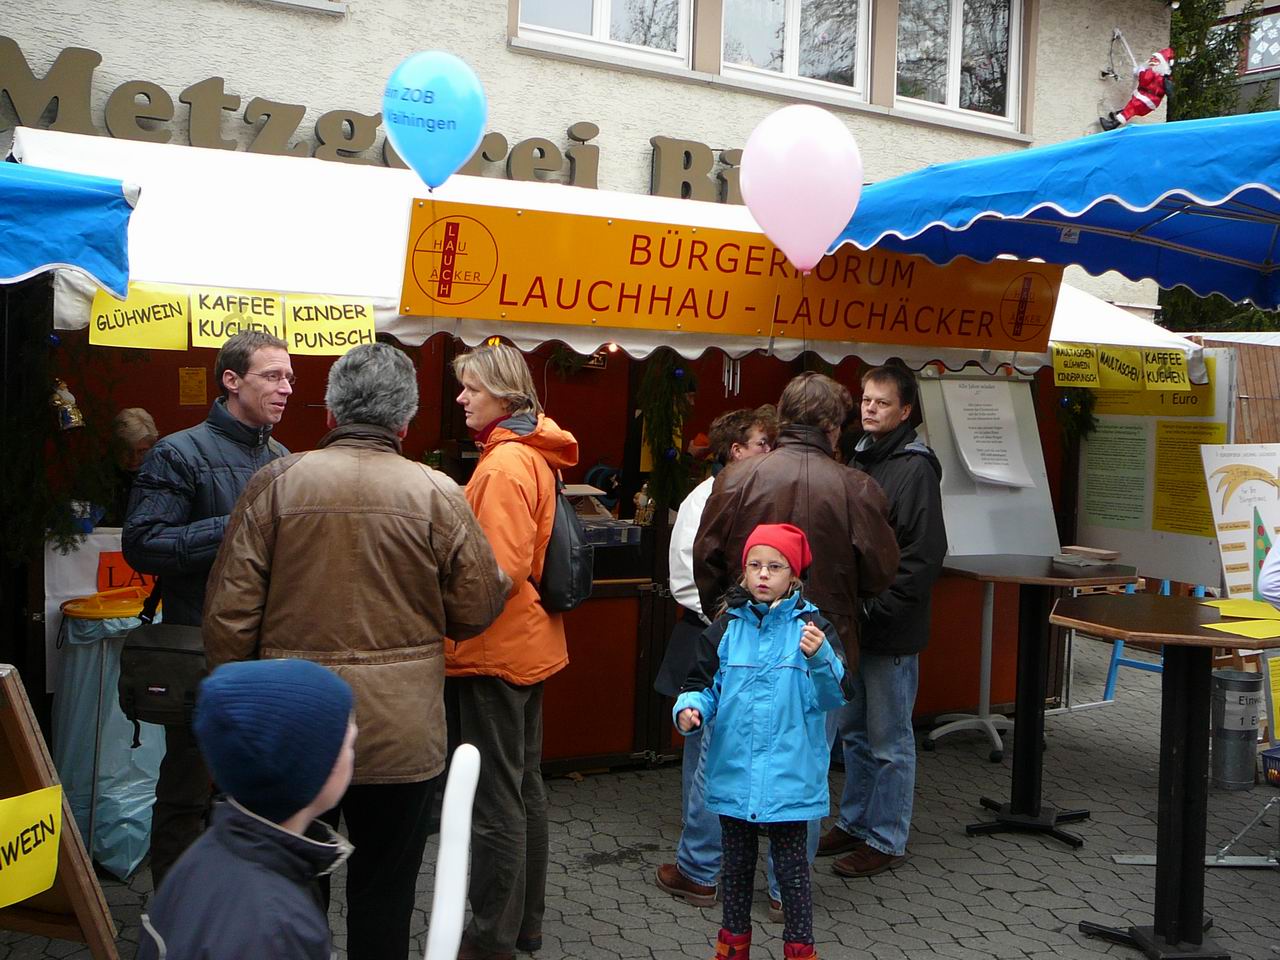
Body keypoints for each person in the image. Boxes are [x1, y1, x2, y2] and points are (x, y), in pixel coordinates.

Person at [202, 342, 510, 960]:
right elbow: (477, 608)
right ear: (406, 422)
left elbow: (228, 620)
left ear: (331, 414)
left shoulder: (276, 484)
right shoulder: (438, 492)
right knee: (386, 893)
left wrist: (240, 714)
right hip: (401, 735)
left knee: (293, 884)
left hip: (295, 730)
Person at [122, 330, 293, 889]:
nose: (287, 388)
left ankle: (234, 910)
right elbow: (143, 544)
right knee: (187, 791)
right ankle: (174, 915)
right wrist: (236, 523)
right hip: (198, 650)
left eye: (289, 377)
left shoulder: (282, 460)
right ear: (231, 380)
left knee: (249, 793)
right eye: (273, 375)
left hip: (263, 657)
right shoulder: (179, 452)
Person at [446, 341, 579, 960]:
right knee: (524, 788)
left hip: (494, 649)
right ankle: (524, 924)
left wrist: (447, 614)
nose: (461, 398)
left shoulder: (504, 464)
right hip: (527, 643)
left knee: (496, 798)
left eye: (471, 387)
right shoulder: (531, 453)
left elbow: (498, 572)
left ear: (503, 394)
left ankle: (490, 938)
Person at [675, 524, 852, 960]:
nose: (763, 574)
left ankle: (800, 950)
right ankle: (732, 948)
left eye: (775, 566)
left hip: (790, 777)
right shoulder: (726, 628)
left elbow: (834, 697)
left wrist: (820, 657)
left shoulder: (814, 628)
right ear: (744, 572)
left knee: (792, 873)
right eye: (755, 565)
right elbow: (702, 685)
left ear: (794, 575)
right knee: (735, 870)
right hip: (734, 774)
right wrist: (691, 711)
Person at [137, 659, 357, 960]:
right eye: (347, 743)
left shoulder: (214, 852)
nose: (353, 754)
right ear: (310, 768)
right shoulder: (272, 926)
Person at [819, 365, 947, 878]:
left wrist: (876, 609)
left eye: (882, 402)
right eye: (866, 399)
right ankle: (854, 822)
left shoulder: (915, 468)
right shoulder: (861, 454)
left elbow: (922, 557)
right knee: (853, 732)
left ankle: (887, 838)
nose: (870, 408)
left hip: (889, 631)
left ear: (905, 411)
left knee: (890, 741)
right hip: (856, 626)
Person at [655, 405, 780, 909]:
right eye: (763, 444)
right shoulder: (702, 499)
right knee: (703, 755)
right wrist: (733, 624)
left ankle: (719, 858)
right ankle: (700, 863)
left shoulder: (767, 495)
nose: (771, 452)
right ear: (737, 450)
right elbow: (686, 580)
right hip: (713, 637)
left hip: (759, 642)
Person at [694, 372, 900, 672]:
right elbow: (878, 574)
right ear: (833, 428)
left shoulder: (736, 478)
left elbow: (706, 561)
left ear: (782, 420)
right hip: (826, 643)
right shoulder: (857, 487)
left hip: (747, 640)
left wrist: (736, 612)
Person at [1099, 46, 1174, 131]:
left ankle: (1111, 125)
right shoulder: (1164, 76)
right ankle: (1116, 115)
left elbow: (1144, 80)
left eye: (1155, 59)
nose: (1152, 60)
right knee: (1133, 109)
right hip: (1151, 100)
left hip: (1146, 99)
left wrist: (1140, 71)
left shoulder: (1154, 72)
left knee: (1131, 108)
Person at [105, 407, 157, 526]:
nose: (134, 458)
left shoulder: (161, 475)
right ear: (115, 447)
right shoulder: (96, 477)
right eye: (126, 450)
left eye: (142, 451)